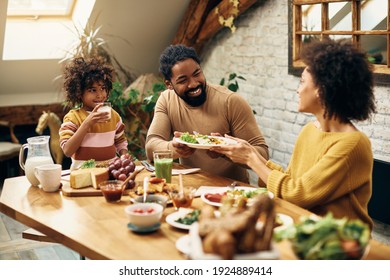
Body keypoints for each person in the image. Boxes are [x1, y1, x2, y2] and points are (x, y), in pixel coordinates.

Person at [211, 39, 376, 229]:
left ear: (321, 90)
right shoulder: (310, 130)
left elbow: (298, 195)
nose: (298, 89)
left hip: (338, 243)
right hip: (302, 229)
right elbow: (291, 182)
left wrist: (251, 159)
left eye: (303, 81)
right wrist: (248, 153)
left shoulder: (352, 144)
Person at [145, 44, 269, 183]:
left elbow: (263, 155)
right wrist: (175, 148)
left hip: (232, 190)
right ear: (169, 84)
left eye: (197, 74)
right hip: (190, 188)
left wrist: (227, 151)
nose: (193, 84)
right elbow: (151, 147)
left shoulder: (231, 101)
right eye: (183, 80)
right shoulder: (166, 100)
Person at [59, 57, 128, 170]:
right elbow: (67, 150)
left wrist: (124, 155)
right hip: (82, 177)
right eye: (92, 90)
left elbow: (120, 141)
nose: (100, 95)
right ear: (79, 93)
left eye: (103, 88)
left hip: (110, 174)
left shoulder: (114, 116)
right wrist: (87, 124)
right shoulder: (73, 117)